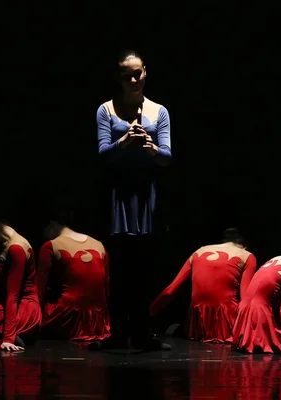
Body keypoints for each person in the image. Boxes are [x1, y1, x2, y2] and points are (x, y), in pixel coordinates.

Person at [95, 49, 172, 351]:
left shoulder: (158, 111)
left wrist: (152, 148)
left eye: (138, 72)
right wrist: (124, 142)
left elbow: (167, 158)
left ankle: (142, 332)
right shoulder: (106, 110)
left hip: (147, 197)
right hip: (120, 197)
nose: (134, 78)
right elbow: (102, 155)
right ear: (119, 77)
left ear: (145, 73)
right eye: (127, 74)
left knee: (144, 267)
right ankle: (118, 333)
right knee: (120, 268)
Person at [150, 228, 257, 343]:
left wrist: (147, 316)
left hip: (197, 327)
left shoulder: (199, 251)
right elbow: (246, 298)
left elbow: (170, 291)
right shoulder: (247, 256)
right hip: (227, 327)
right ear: (245, 245)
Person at [36, 213, 111, 342]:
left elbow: (39, 290)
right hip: (97, 319)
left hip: (69, 317)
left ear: (52, 224)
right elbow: (106, 287)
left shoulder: (50, 245)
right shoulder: (99, 244)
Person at [0, 221, 42, 351]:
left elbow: (13, 295)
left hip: (24, 311)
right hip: (22, 308)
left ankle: (10, 334)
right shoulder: (11, 244)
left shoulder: (16, 248)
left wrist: (8, 339)